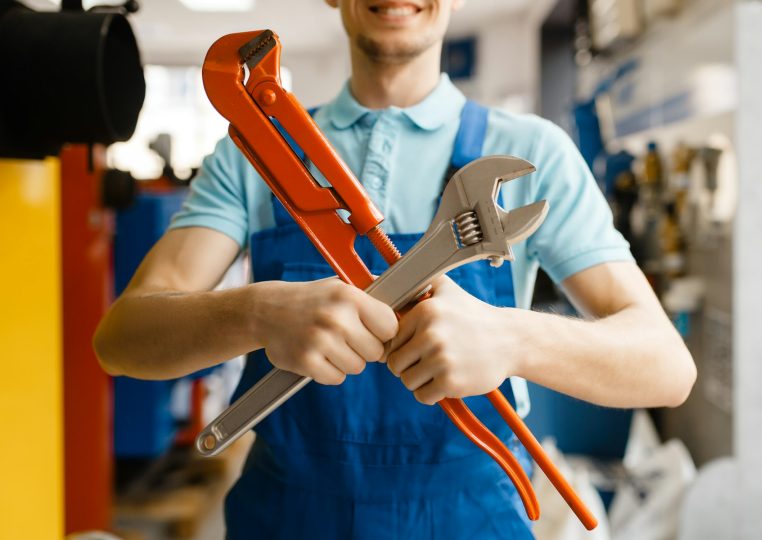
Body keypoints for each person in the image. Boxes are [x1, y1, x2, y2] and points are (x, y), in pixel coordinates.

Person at [94, 1, 696, 538]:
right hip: (286, 517)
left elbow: (666, 367)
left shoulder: (536, 151)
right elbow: (121, 340)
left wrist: (509, 338)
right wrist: (256, 312)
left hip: (468, 517)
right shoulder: (252, 151)